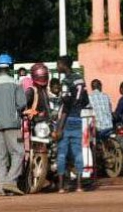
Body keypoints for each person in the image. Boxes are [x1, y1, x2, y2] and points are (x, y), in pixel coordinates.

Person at [0, 54, 27, 196]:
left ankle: (2, 187)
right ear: (9, 67)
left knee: (0, 157)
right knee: (18, 153)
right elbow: (22, 104)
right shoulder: (16, 84)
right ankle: (10, 181)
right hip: (12, 124)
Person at [55, 56, 89, 193]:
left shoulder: (66, 81)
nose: (57, 67)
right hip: (78, 119)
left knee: (62, 153)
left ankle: (61, 186)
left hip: (67, 119)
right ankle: (79, 186)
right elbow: (85, 100)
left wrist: (59, 127)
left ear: (64, 65)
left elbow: (66, 105)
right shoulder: (80, 78)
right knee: (78, 153)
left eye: (58, 64)